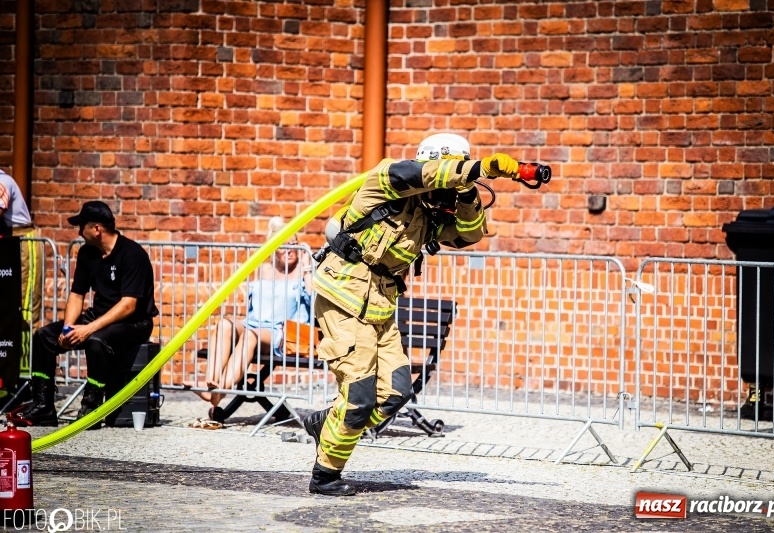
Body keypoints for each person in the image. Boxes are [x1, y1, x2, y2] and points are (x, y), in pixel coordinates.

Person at [302, 133, 520, 495]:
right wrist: (477, 168)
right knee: (359, 397)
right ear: (437, 164)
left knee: (395, 392)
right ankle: (325, 475)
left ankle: (327, 424)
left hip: (381, 303)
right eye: (452, 177)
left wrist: (467, 191)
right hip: (343, 294)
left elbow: (469, 235)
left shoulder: (429, 216)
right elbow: (414, 174)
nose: (449, 191)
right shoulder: (387, 181)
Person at [16, 200, 158, 427]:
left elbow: (129, 305)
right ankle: (43, 407)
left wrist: (89, 329)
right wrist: (68, 328)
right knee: (44, 336)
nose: (78, 232)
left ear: (97, 229)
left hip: (135, 322)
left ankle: (91, 407)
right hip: (101, 317)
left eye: (81, 226)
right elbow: (77, 294)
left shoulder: (132, 255)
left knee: (95, 340)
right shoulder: (87, 254)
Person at [184, 217, 314, 422]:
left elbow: (315, 298)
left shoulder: (303, 271)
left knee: (250, 336)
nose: (289, 250)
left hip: (282, 332)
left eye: (293, 245)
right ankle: (211, 383)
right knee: (224, 324)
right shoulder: (264, 270)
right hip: (255, 324)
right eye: (283, 246)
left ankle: (217, 394)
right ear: (273, 249)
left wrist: (307, 266)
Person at [0, 169, 41, 398]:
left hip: (22, 246)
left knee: (24, 312)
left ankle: (23, 384)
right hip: (7, 248)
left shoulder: (1, 182)